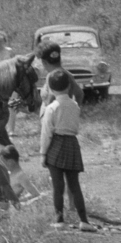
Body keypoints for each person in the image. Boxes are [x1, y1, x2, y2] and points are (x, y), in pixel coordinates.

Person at [40, 69, 94, 231]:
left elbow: (46, 133)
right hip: (72, 143)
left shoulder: (51, 108)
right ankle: (84, 221)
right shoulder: (75, 106)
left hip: (56, 144)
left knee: (58, 187)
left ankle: (60, 220)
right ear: (69, 86)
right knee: (74, 185)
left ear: (50, 88)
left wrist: (43, 153)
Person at [36, 42, 84, 107]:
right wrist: (75, 109)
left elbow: (51, 97)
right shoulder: (67, 74)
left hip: (52, 112)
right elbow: (79, 93)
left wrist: (47, 110)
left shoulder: (52, 76)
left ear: (44, 62)